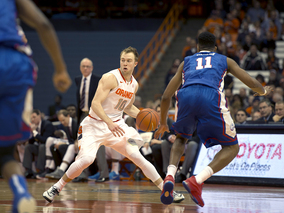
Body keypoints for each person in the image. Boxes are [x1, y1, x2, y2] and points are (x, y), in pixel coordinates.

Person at [43, 47, 184, 204]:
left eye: (128, 61)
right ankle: (56, 187)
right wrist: (108, 122)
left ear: (135, 63)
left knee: (138, 156)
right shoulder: (110, 78)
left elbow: (128, 107)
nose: (125, 63)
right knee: (87, 159)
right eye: (123, 60)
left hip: (117, 126)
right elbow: (95, 104)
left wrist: (147, 117)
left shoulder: (134, 85)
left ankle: (167, 191)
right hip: (94, 125)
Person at [154, 32, 271, 207]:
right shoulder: (224, 60)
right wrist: (262, 91)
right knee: (232, 147)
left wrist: (163, 123)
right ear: (215, 48)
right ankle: (197, 180)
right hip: (210, 96)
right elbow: (250, 81)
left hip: (186, 95)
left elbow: (165, 97)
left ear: (197, 47)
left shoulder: (187, 61)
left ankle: (170, 175)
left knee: (181, 137)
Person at [0, 0, 71, 212]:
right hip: (16, 64)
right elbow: (44, 25)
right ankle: (21, 193)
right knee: (5, 152)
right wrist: (60, 68)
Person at [36, 109, 78, 179]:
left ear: (68, 116)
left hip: (80, 145)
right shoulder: (65, 125)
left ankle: (61, 170)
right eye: (60, 121)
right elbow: (70, 140)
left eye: (63, 120)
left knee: (66, 147)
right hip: (72, 144)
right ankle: (56, 168)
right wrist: (63, 143)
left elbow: (78, 138)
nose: (62, 122)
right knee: (53, 146)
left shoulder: (76, 123)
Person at [23, 109, 55, 178]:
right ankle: (28, 171)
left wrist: (34, 132)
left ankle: (40, 170)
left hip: (49, 149)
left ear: (39, 116)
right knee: (28, 147)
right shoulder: (34, 127)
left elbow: (45, 140)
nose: (32, 119)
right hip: (39, 148)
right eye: (31, 118)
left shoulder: (47, 124)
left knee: (42, 146)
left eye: (34, 117)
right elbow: (31, 141)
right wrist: (31, 132)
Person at [75, 58, 101, 125]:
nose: (85, 68)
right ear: (80, 68)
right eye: (83, 66)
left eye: (87, 66)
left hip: (94, 114)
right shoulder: (78, 80)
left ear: (91, 68)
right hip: (82, 114)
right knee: (81, 134)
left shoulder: (97, 80)